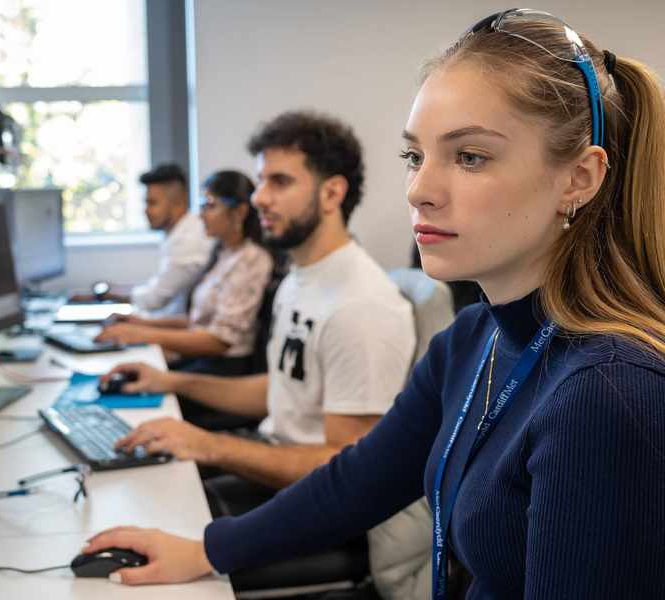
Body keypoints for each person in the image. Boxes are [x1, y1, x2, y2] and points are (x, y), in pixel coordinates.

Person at [82, 9, 665, 598]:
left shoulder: (608, 392)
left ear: (579, 179)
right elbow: (357, 482)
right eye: (416, 156)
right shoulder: (474, 339)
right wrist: (207, 548)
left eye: (469, 156)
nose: (420, 190)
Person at [98, 111, 429, 599]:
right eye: (258, 181)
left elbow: (348, 469)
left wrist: (210, 444)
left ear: (332, 193)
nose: (259, 198)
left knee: (139, 576)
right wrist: (172, 382)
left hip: (320, 514)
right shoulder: (301, 278)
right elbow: (282, 390)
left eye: (279, 181)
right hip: (273, 472)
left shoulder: (362, 306)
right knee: (138, 501)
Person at [95, 170, 273, 376]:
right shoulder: (223, 253)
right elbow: (199, 321)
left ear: (240, 212)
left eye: (210, 205)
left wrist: (141, 334)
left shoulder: (251, 260)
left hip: (223, 370)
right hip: (202, 360)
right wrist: (143, 324)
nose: (201, 214)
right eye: (202, 206)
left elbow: (218, 341)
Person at [74, 163, 213, 315]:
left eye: (152, 203)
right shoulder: (180, 233)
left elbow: (154, 299)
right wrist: (113, 290)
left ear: (179, 202)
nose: (145, 210)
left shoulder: (189, 240)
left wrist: (110, 293)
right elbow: (157, 288)